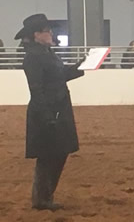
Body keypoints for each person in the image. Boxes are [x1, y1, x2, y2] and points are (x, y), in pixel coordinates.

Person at [14, 13, 85, 211]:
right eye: (47, 31)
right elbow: (36, 89)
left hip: (58, 109)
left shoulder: (47, 53)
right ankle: (41, 199)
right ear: (37, 34)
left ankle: (44, 197)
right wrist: (47, 117)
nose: (51, 33)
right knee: (48, 156)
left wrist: (81, 66)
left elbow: (60, 77)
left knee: (58, 153)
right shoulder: (33, 58)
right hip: (47, 112)